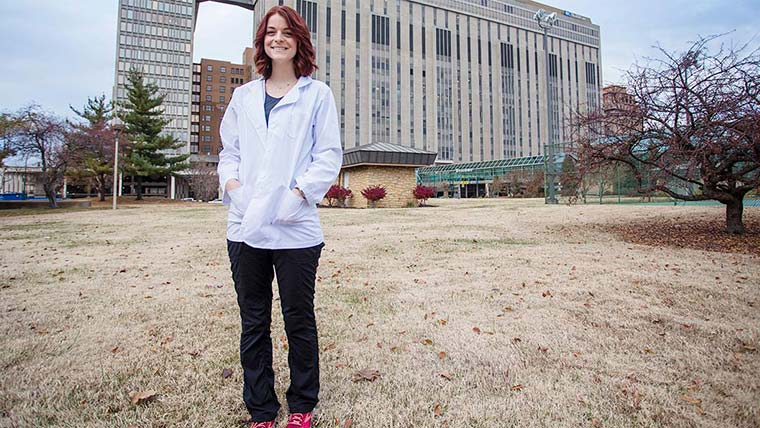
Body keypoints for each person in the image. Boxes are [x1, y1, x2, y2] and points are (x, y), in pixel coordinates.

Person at [217, 6, 342, 428]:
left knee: (298, 318)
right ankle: (261, 410)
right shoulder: (243, 97)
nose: (278, 39)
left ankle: (302, 405)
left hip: (297, 229)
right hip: (245, 226)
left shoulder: (316, 95)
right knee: (253, 321)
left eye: (287, 32)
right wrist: (234, 190)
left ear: (298, 40)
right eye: (271, 32)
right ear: (262, 41)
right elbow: (229, 153)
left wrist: (296, 196)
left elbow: (327, 156)